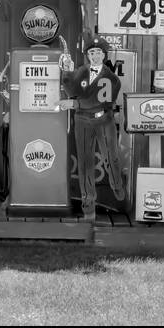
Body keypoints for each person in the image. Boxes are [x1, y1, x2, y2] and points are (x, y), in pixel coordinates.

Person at [58, 36, 126, 221]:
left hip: (104, 119)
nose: (94, 55)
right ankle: (88, 203)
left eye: (98, 52)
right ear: (87, 55)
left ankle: (116, 184)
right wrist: (67, 72)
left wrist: (74, 104)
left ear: (104, 55)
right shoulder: (81, 71)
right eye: (91, 52)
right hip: (82, 121)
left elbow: (98, 100)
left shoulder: (112, 78)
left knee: (110, 156)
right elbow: (72, 91)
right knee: (85, 162)